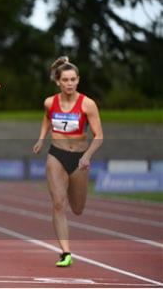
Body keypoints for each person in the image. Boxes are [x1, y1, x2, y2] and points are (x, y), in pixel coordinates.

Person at [33, 56, 103, 267]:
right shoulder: (50, 102)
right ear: (58, 81)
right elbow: (47, 118)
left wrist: (87, 156)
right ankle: (65, 253)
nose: (70, 83)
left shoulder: (87, 104)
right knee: (58, 203)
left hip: (80, 158)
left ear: (78, 80)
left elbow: (99, 136)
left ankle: (66, 248)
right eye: (66, 80)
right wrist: (41, 139)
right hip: (57, 154)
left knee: (78, 208)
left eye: (73, 79)